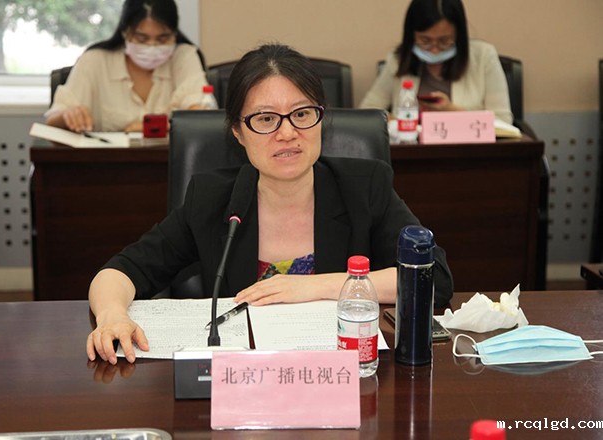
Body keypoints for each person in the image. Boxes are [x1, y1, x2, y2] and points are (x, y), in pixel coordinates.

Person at [86, 43, 454, 365]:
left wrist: (316, 286)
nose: (288, 133)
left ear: (321, 118)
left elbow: (433, 277)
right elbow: (121, 271)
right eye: (265, 119)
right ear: (237, 131)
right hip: (246, 381)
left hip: (343, 378)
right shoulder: (212, 199)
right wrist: (112, 316)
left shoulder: (364, 187)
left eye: (302, 114)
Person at [45, 0, 207, 133]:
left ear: (174, 35)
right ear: (125, 32)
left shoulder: (184, 56)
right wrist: (68, 115)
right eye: (142, 39)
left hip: (171, 160)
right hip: (106, 161)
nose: (152, 47)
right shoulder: (94, 60)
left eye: (163, 39)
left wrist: (149, 127)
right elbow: (52, 120)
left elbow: (201, 115)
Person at [359, 0, 513, 124]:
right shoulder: (398, 59)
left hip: (469, 150)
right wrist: (395, 121)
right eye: (425, 41)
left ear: (458, 36)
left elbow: (503, 121)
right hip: (410, 148)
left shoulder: (484, 56)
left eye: (444, 41)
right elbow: (367, 112)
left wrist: (452, 111)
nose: (434, 50)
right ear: (411, 35)